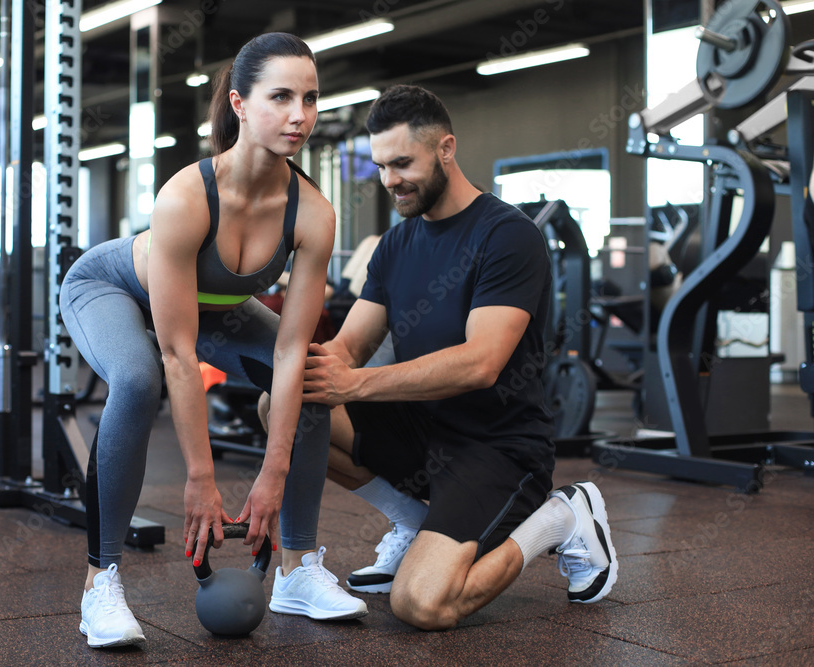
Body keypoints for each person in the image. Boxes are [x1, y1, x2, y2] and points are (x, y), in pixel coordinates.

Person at [59, 32, 367, 648]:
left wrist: (272, 470)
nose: (300, 115)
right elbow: (178, 354)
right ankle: (101, 581)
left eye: (310, 98)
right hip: (113, 288)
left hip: (220, 309)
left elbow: (288, 349)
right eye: (280, 97)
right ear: (240, 105)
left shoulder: (311, 212)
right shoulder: (186, 196)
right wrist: (200, 477)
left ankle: (298, 570)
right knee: (140, 377)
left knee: (307, 375)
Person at [295, 84, 618, 630]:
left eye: (402, 163)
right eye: (380, 165)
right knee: (283, 405)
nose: (389, 180)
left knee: (422, 605)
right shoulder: (396, 246)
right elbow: (349, 349)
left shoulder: (507, 236)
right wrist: (291, 359)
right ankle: (415, 522)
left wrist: (352, 385)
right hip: (423, 434)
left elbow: (480, 363)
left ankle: (562, 516)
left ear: (446, 148)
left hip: (495, 446)